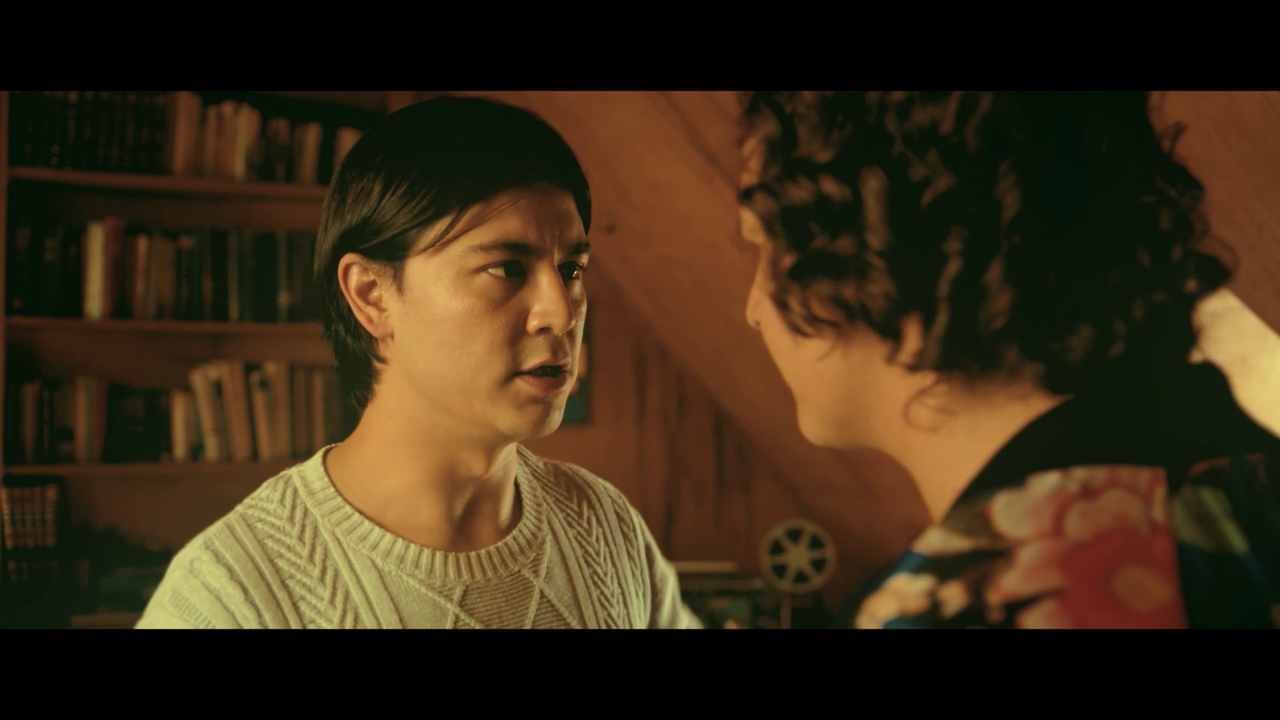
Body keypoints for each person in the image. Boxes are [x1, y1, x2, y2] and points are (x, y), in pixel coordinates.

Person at [136, 95, 700, 629]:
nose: (561, 313)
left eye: (571, 270)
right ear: (372, 296)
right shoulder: (229, 597)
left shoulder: (605, 528)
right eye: (506, 268)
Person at [734, 91, 1280, 629]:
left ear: (881, 265)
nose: (753, 310)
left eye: (765, 248)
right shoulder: (1247, 490)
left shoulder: (955, 607)